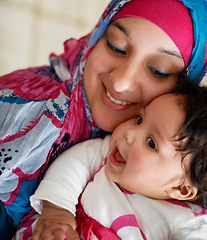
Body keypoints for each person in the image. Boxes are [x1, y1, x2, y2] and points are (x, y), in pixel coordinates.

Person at [0, 0, 207, 238]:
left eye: (159, 70)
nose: (121, 82)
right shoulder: (27, 114)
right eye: (116, 46)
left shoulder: (187, 180)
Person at [14, 77, 207, 240]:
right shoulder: (106, 153)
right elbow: (76, 161)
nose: (130, 133)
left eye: (151, 143)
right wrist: (57, 209)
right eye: (139, 119)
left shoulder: (188, 223)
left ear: (180, 189)